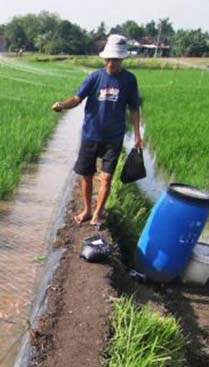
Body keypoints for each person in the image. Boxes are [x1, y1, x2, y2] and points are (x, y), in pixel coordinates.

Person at [52, 34, 143, 226]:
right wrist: (62, 105)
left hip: (114, 137)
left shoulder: (129, 80)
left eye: (117, 60)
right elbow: (77, 99)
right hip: (91, 135)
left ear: (122, 59)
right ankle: (87, 209)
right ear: (105, 59)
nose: (113, 63)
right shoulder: (94, 78)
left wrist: (137, 135)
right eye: (110, 59)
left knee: (107, 178)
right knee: (86, 175)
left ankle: (98, 213)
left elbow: (134, 108)